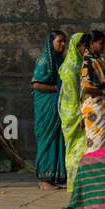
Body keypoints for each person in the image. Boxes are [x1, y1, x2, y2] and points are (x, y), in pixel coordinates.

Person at [31, 28, 67, 189]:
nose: (63, 44)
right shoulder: (44, 61)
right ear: (50, 43)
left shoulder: (60, 60)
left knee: (58, 139)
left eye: (64, 41)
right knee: (46, 139)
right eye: (60, 41)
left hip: (57, 105)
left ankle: (54, 176)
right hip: (46, 105)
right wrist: (55, 89)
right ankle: (44, 180)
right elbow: (36, 84)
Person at [58, 31, 90, 199]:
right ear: (77, 47)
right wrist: (80, 116)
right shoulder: (70, 69)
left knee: (81, 149)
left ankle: (81, 183)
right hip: (73, 114)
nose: (87, 49)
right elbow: (71, 97)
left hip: (80, 112)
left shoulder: (80, 64)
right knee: (74, 149)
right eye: (85, 46)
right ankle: (74, 183)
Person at [81, 30, 105, 152]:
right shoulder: (89, 62)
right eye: (101, 43)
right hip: (97, 112)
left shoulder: (99, 60)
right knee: (96, 145)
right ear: (92, 43)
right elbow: (86, 88)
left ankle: (104, 170)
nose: (103, 46)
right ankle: (94, 170)